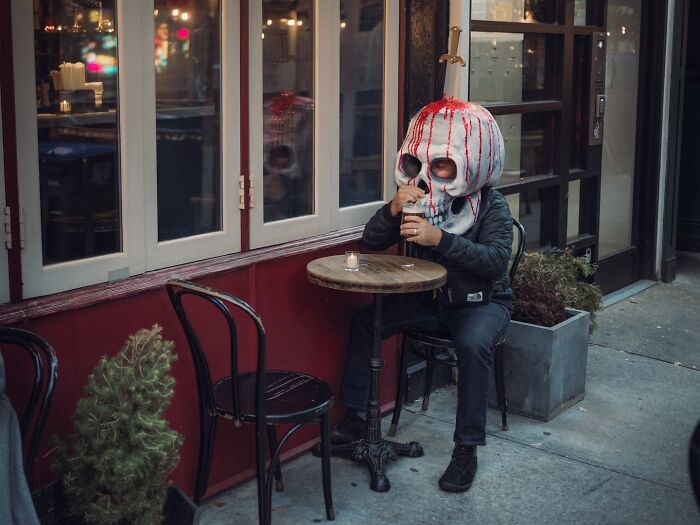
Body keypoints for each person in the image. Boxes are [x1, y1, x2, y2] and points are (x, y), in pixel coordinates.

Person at [331, 98, 513, 493]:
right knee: (365, 321)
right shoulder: (419, 196)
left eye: (442, 164)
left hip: (481, 302)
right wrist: (393, 208)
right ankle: (356, 420)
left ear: (468, 164)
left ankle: (466, 451)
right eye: (419, 163)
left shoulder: (491, 206)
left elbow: (496, 261)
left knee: (472, 345)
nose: (428, 175)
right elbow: (372, 241)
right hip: (431, 300)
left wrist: (440, 240)